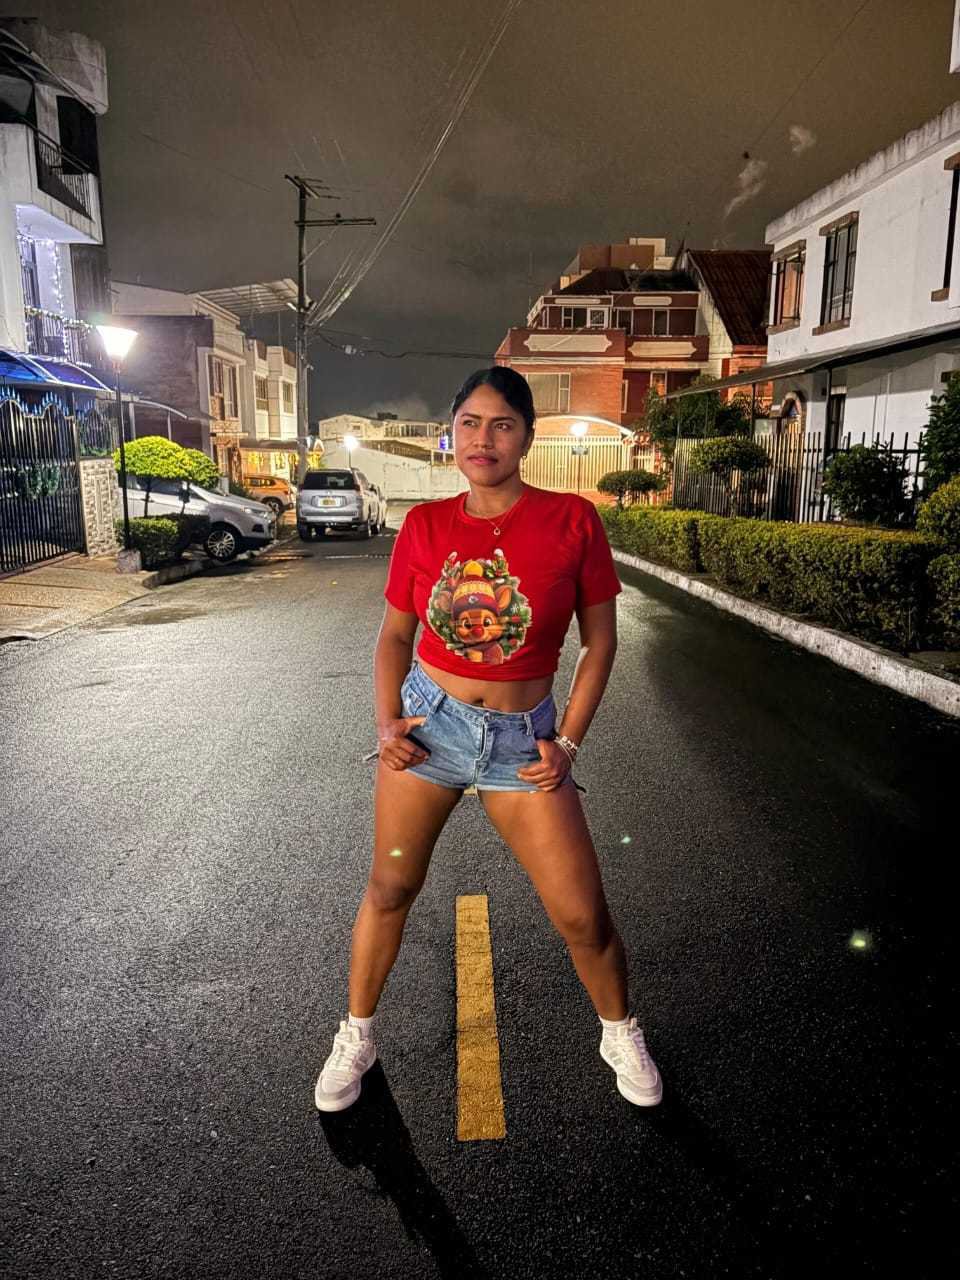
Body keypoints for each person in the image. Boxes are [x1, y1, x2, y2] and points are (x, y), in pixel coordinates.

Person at [314, 367, 661, 1113]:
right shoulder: (424, 526)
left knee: (581, 913)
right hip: (429, 729)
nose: (484, 439)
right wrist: (387, 723)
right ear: (452, 434)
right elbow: (394, 637)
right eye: (470, 423)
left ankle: (619, 1030)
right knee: (390, 889)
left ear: (526, 438)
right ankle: (357, 1034)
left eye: (502, 424)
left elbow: (600, 644)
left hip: (523, 744)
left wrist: (568, 742)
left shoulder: (573, 521)